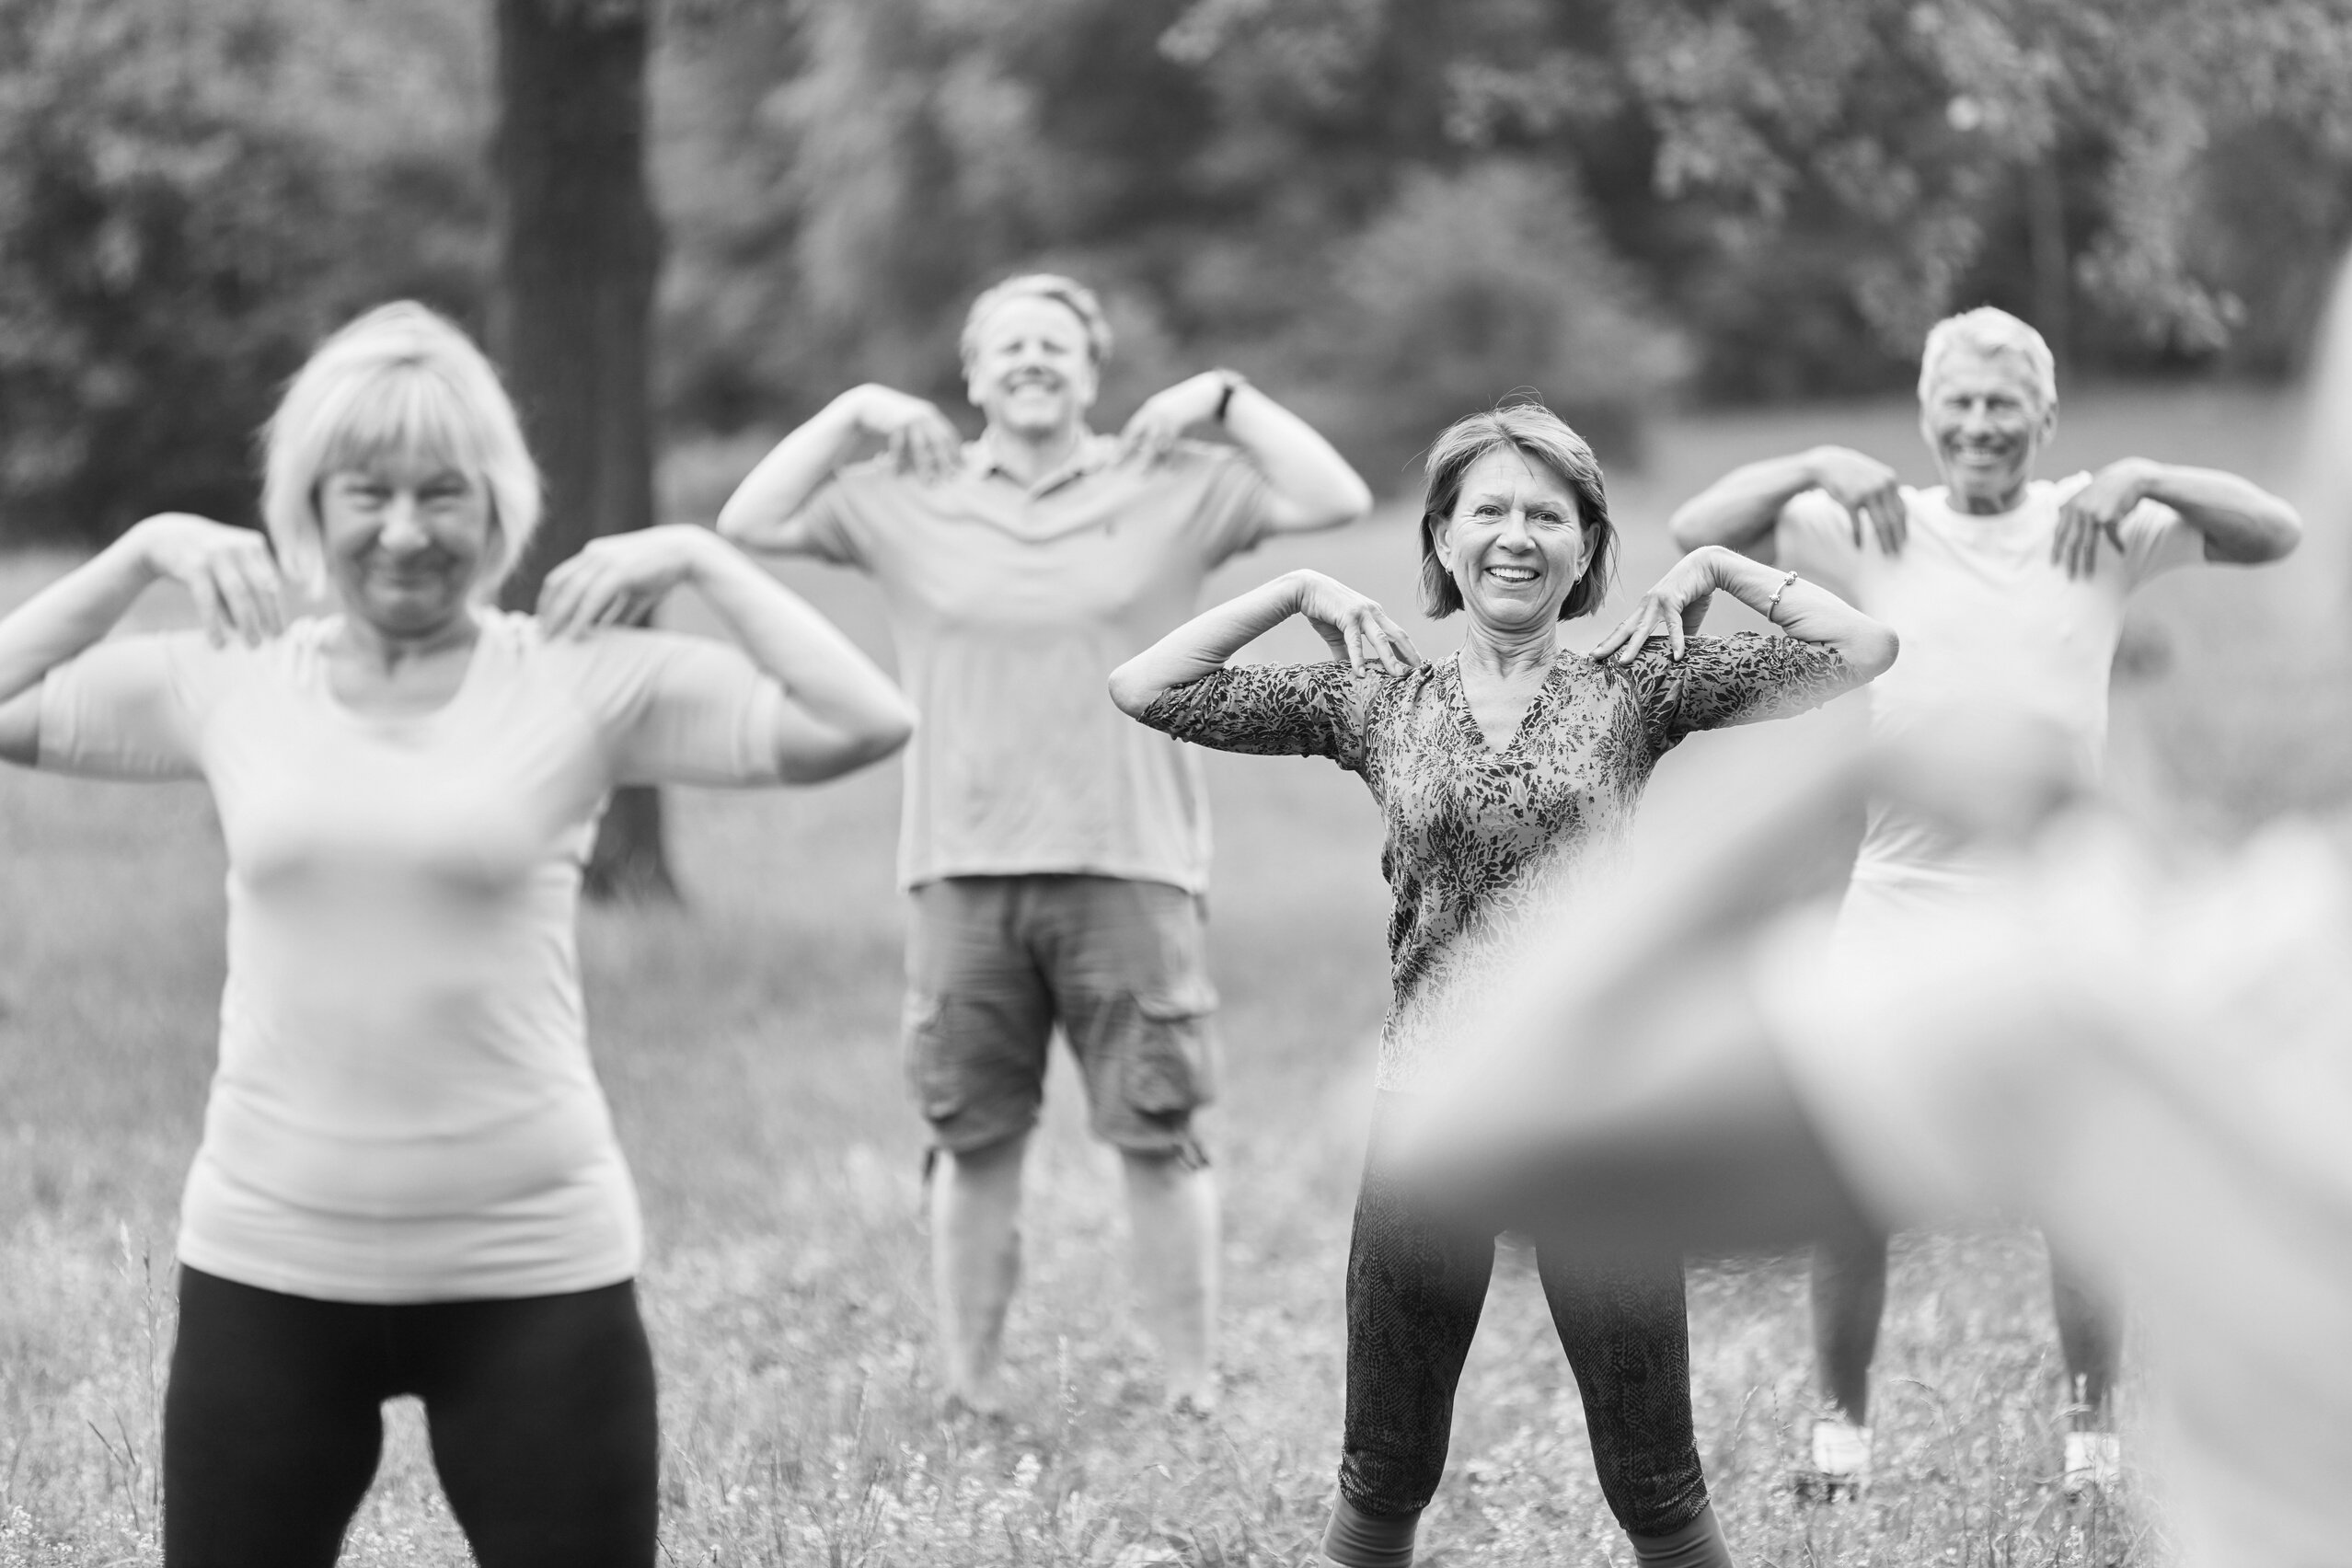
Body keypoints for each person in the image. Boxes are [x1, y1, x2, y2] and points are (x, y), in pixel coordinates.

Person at [0, 301, 916, 1568]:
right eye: (365, 492)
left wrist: (705, 567)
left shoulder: (582, 676)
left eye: (446, 492)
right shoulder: (232, 674)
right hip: (268, 1264)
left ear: (497, 509)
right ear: (308, 508)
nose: (407, 529)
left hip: (534, 1269)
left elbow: (865, 720)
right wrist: (141, 552)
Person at [1108, 402, 1897, 1568]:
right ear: (1441, 540)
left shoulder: (1636, 686)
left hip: (1602, 1119)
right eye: (1489, 511)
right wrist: (1298, 594)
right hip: (1427, 1112)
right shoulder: (1376, 697)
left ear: (1586, 550)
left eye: (1549, 515)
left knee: (1656, 1481)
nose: (1517, 537)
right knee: (1384, 1472)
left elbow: (1862, 650)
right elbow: (1145, 686)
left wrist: (1723, 569)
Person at [1389, 715, 2352, 1568]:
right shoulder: (2175, 972)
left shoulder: (2164, 982)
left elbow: (1456, 1143)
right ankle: (1845, 1428)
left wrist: (1843, 768)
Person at [1667, 306, 2302, 1496]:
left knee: (2085, 1180)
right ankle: (1840, 1448)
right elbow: (1697, 526)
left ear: (2044, 418)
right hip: (1900, 888)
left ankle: (2090, 1453)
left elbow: (2277, 531)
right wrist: (1812, 461)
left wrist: (2149, 472)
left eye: (2003, 404)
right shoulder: (1872, 520)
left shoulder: (2097, 523)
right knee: (1852, 1176)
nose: (1979, 426)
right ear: (1926, 416)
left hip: (2061, 894)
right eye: (1957, 404)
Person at [714, 272, 1372, 1414]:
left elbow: (1335, 494)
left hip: (1134, 860)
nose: (1030, 360)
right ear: (972, 374)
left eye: (1055, 344)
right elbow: (748, 523)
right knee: (972, 1141)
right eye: (1007, 344)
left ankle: (1188, 1390)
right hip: (958, 868)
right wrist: (858, 410)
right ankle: (970, 1390)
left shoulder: (1166, 478)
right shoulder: (907, 488)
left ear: (1090, 368)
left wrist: (1222, 397)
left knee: (1157, 1132)